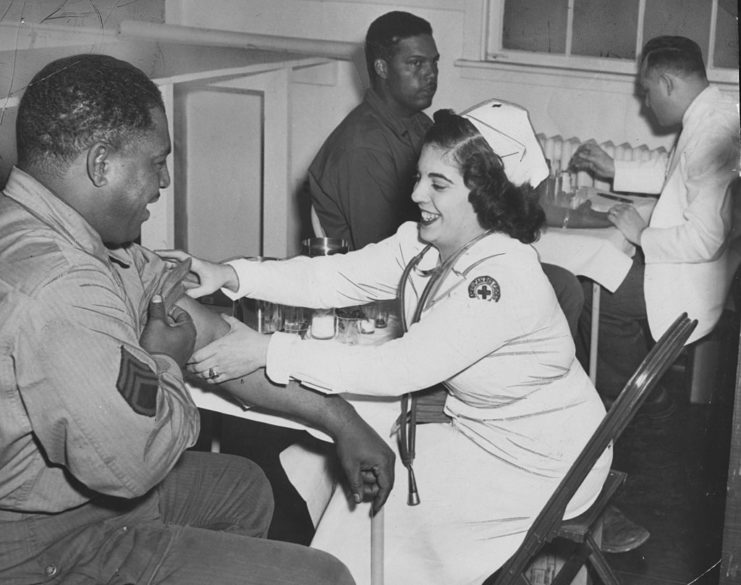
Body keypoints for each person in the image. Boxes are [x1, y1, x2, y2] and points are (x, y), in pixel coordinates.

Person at [161, 109, 612, 585]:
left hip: (541, 463)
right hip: (483, 433)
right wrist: (232, 274)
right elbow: (335, 277)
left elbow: (402, 367)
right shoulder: (425, 243)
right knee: (338, 473)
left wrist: (269, 350)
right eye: (420, 178)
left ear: (487, 194)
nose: (417, 194)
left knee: (375, 508)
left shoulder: (501, 279)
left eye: (438, 184)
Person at [0, 53, 396, 585]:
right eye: (156, 161)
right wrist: (162, 356)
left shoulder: (64, 240)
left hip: (74, 500)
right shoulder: (60, 289)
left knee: (246, 487)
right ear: (100, 165)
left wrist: (342, 422)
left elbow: (215, 339)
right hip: (44, 547)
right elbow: (134, 459)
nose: (163, 181)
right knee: (321, 577)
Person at [568, 36, 740, 407]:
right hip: (706, 267)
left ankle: (635, 402)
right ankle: (611, 385)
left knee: (596, 299)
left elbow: (706, 240)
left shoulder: (711, 130)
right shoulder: (714, 112)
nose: (646, 104)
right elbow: (678, 172)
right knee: (597, 276)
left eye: (647, 91)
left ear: (667, 84)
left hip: (697, 278)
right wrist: (614, 168)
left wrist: (643, 235)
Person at [307, 10, 439, 251]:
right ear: (382, 68)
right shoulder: (362, 149)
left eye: (434, 62)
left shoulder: (419, 123)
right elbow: (384, 257)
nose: (431, 74)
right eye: (416, 63)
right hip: (379, 279)